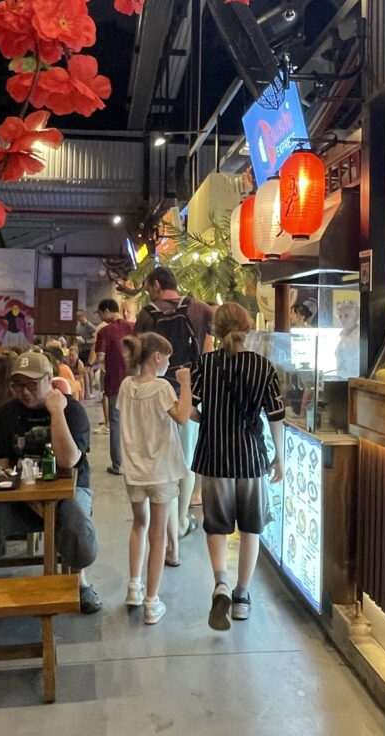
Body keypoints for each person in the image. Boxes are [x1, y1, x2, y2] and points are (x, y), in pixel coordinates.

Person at [0, 351, 101, 614]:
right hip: (21, 495)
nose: (24, 392)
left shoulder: (72, 411)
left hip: (68, 492)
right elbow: (1, 464)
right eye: (17, 385)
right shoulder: (7, 413)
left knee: (75, 521)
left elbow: (69, 460)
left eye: (31, 385)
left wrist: (56, 413)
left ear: (49, 379)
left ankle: (80, 581)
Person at [188, 302, 285, 630]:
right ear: (247, 329)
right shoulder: (262, 367)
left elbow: (190, 409)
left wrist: (208, 418)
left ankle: (220, 585)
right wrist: (280, 459)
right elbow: (275, 418)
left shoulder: (205, 365)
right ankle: (242, 596)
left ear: (216, 330)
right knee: (250, 529)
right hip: (250, 459)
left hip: (214, 458)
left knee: (216, 527)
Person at [134, 267, 214, 564]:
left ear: (156, 285)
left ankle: (164, 523)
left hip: (153, 396)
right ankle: (180, 522)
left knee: (160, 460)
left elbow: (136, 359)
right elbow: (210, 351)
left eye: (148, 287)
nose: (148, 293)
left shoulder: (146, 315)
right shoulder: (200, 309)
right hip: (187, 393)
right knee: (186, 461)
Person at [119, 334, 191, 624]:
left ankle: (133, 588)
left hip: (134, 470)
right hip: (159, 470)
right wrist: (185, 384)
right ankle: (152, 601)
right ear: (157, 357)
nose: (170, 363)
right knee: (158, 534)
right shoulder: (162, 387)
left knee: (139, 524)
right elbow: (182, 416)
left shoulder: (126, 386)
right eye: (169, 357)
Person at [92, 298, 134, 475]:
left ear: (107, 310)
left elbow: (100, 357)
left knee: (116, 422)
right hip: (135, 381)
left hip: (115, 381)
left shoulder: (105, 332)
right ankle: (134, 464)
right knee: (133, 422)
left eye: (101, 314)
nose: (101, 318)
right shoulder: (133, 327)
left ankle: (118, 465)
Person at [334, 300, 360, 380]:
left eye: (346, 315)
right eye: (340, 316)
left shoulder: (360, 337)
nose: (342, 319)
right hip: (342, 381)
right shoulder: (342, 337)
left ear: (355, 316)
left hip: (356, 383)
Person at [75, 309, 96, 398]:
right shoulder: (78, 326)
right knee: (82, 371)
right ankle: (84, 392)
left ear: (84, 316)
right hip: (81, 350)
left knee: (88, 371)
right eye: (77, 317)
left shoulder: (90, 326)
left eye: (79, 317)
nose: (78, 319)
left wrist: (85, 341)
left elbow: (95, 339)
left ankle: (90, 392)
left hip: (88, 350)